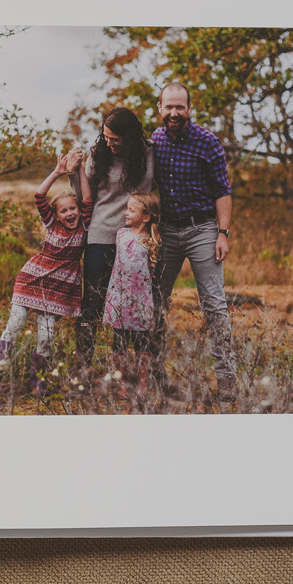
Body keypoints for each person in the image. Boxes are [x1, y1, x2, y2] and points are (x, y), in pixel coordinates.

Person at [148, 81, 237, 398]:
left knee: (214, 306)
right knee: (155, 304)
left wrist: (222, 234)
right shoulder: (155, 141)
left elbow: (223, 191)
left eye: (180, 107)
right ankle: (156, 378)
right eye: (168, 107)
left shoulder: (207, 142)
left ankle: (227, 383)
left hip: (202, 230)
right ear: (160, 108)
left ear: (189, 109)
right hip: (167, 232)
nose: (174, 113)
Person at [0, 148, 89, 393]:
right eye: (63, 210)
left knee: (46, 335)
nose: (69, 213)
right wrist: (57, 172)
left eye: (72, 209)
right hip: (32, 279)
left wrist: (81, 168)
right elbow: (39, 195)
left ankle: (38, 382)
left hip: (59, 287)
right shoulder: (52, 225)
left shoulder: (83, 225)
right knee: (16, 323)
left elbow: (87, 199)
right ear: (55, 215)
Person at [75, 107, 156, 378]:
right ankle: (83, 369)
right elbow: (85, 196)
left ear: (130, 137)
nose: (108, 143)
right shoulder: (98, 153)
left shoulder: (150, 152)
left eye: (115, 139)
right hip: (102, 235)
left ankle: (139, 375)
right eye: (105, 136)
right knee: (93, 303)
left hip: (136, 239)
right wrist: (72, 174)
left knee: (135, 306)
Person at [103, 192, 160, 394]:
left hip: (140, 301)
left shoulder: (151, 242)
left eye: (131, 210)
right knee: (119, 343)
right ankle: (123, 385)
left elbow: (154, 274)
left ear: (146, 217)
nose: (126, 213)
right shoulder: (121, 234)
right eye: (127, 208)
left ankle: (142, 385)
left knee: (141, 344)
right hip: (119, 298)